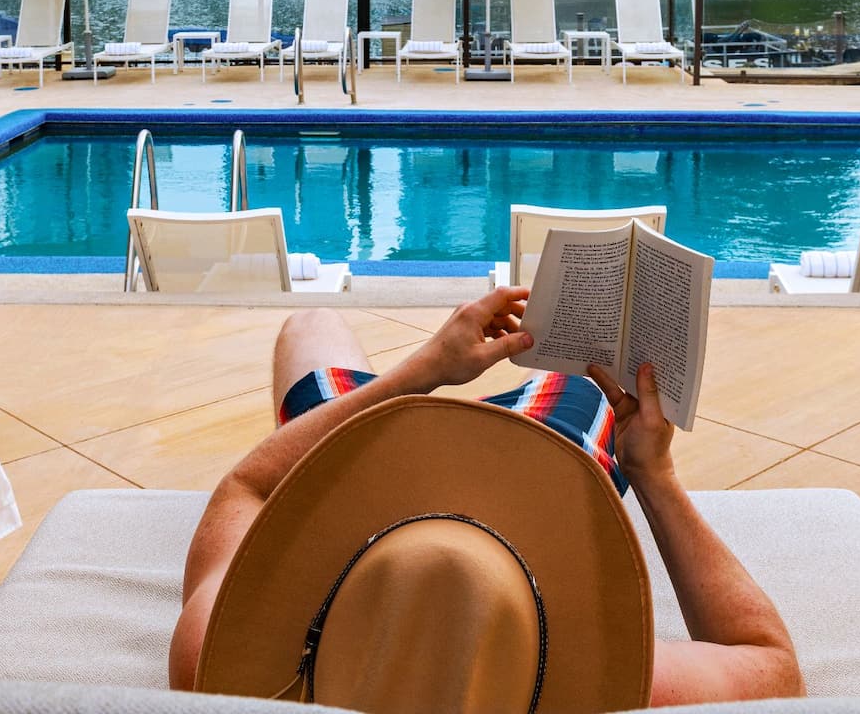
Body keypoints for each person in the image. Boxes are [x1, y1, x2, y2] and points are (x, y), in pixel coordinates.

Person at [170, 287, 802, 710]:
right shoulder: (610, 697)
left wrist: (420, 372)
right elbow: (770, 661)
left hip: (363, 503)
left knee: (313, 324)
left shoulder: (217, 664)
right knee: (580, 380)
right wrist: (652, 472)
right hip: (521, 466)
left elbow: (250, 485)